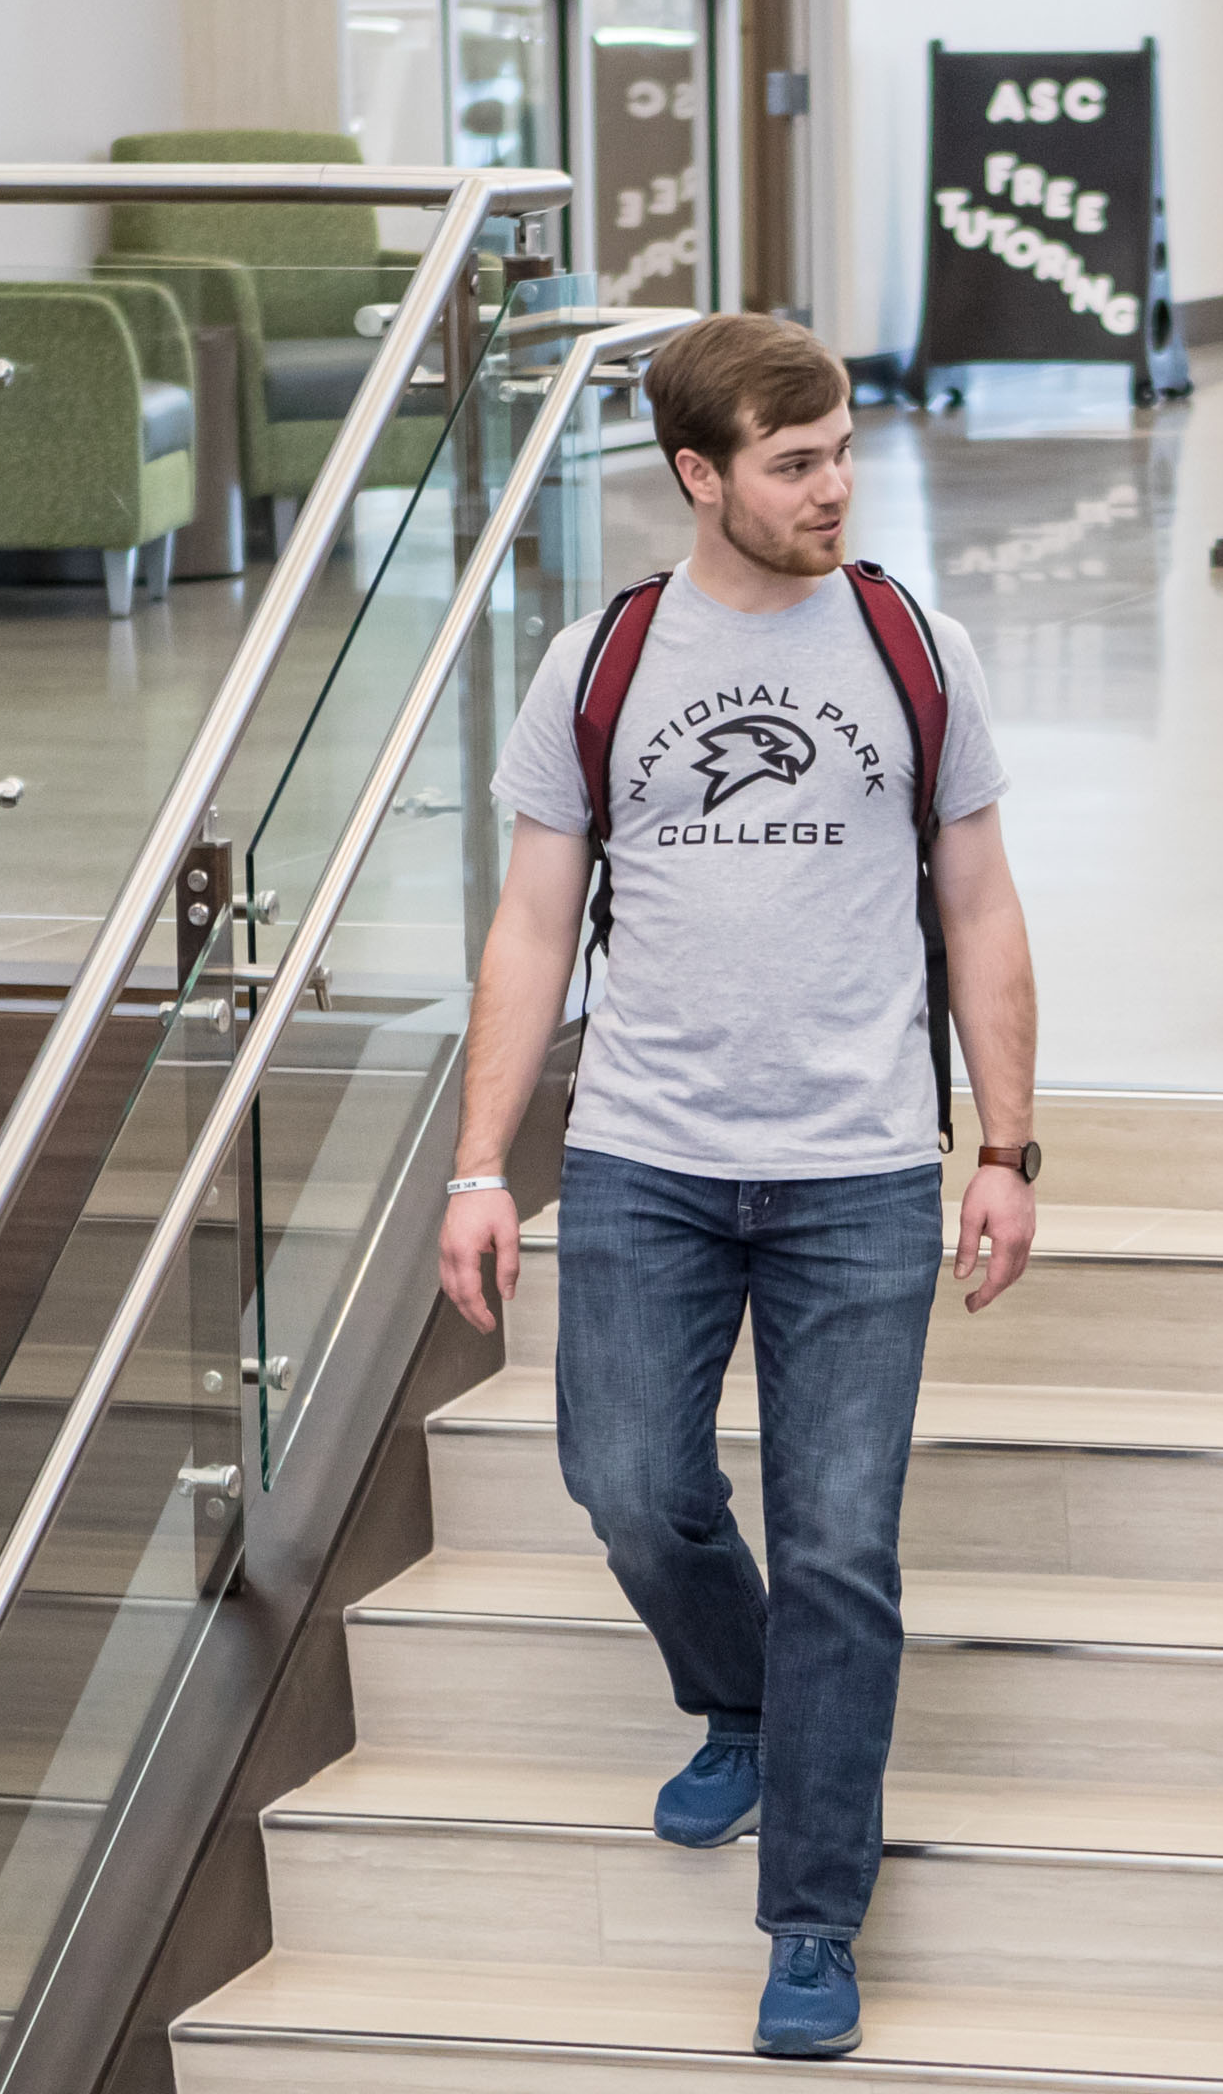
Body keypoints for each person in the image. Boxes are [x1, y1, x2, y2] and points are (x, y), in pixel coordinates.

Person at [430, 311, 1042, 2063]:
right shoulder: (603, 661)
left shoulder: (914, 645)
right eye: (794, 464)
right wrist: (482, 1164)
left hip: (857, 1170)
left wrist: (1005, 1146)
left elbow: (982, 907)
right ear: (697, 475)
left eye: (842, 450)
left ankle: (814, 1913)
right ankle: (743, 1701)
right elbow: (535, 924)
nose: (834, 487)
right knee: (628, 1484)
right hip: (647, 1157)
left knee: (843, 1547)